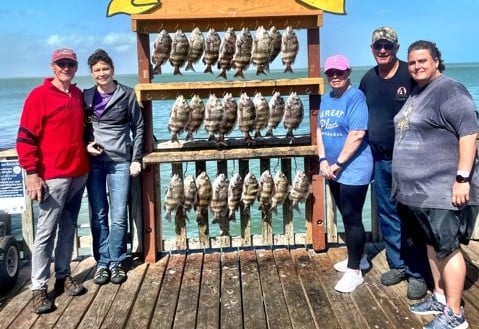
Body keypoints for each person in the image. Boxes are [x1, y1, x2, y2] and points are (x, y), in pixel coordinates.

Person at [393, 40, 479, 329]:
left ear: (436, 61)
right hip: (417, 194)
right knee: (432, 244)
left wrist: (462, 178)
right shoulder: (419, 92)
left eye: (423, 61)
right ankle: (440, 296)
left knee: (448, 248)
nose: (417, 66)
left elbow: (469, 133)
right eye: (413, 62)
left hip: (441, 190)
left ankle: (455, 314)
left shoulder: (449, 89)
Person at [16, 48, 89, 314]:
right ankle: (37, 287)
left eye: (70, 63)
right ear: (52, 67)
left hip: (79, 172)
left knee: (68, 226)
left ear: (76, 66)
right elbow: (24, 138)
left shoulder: (78, 94)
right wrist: (32, 173)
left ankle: (63, 274)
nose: (66, 67)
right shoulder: (38, 96)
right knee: (46, 232)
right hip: (52, 176)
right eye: (61, 63)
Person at [359, 26, 429, 299]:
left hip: (409, 159)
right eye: (378, 46)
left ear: (397, 48)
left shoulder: (408, 74)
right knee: (387, 214)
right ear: (372, 49)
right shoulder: (367, 78)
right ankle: (398, 264)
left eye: (388, 46)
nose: (383, 50)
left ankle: (417, 272)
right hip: (379, 159)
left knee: (411, 216)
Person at [84, 49, 144, 285]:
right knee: (98, 214)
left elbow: (138, 127)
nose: (102, 73)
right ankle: (102, 263)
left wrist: (136, 159)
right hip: (94, 163)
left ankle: (117, 260)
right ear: (92, 73)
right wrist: (86, 145)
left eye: (105, 68)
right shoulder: (86, 97)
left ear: (113, 69)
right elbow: (79, 129)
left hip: (120, 163)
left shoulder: (127, 94)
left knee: (118, 215)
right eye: (97, 70)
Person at [317, 55, 373, 293]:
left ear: (348, 72)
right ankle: (358, 258)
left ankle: (355, 272)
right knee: (345, 215)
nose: (335, 77)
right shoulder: (327, 98)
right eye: (331, 73)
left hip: (353, 167)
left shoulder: (355, 97)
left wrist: (338, 163)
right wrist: (322, 160)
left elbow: (358, 133)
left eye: (339, 72)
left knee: (352, 218)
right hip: (332, 168)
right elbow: (320, 129)